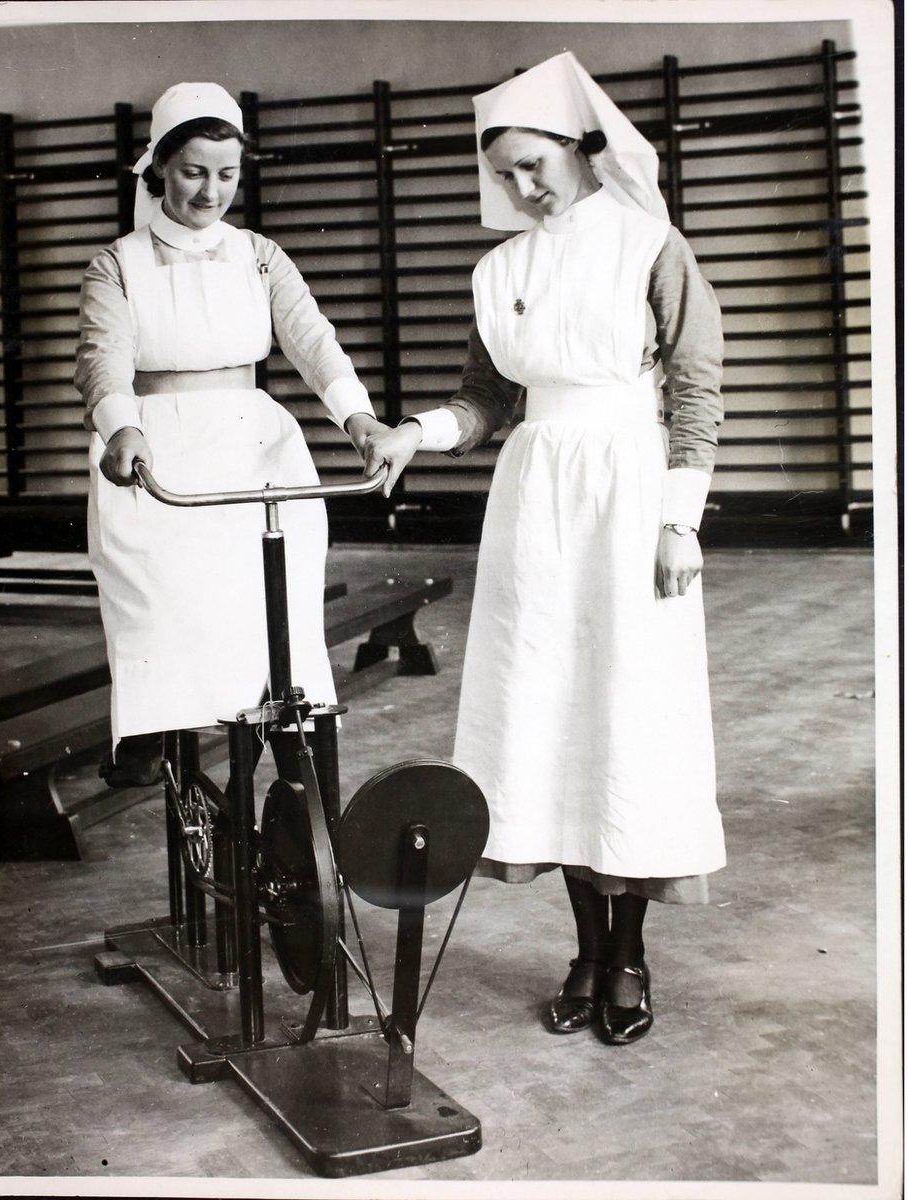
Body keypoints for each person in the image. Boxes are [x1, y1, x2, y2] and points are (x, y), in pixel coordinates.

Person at [361, 52, 726, 1045]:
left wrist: (677, 518)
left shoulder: (652, 245)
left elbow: (694, 392)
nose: (524, 186)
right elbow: (485, 399)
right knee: (549, 718)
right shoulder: (500, 270)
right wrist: (415, 434)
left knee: (625, 722)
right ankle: (582, 950)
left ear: (577, 145)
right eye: (505, 171)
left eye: (536, 163)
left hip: (629, 487)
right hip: (534, 501)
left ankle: (631, 954)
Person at [75, 83, 386, 785]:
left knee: (275, 595)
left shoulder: (260, 254)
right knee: (166, 596)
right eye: (193, 171)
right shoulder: (117, 263)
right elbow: (103, 357)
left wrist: (358, 417)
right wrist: (121, 428)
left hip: (252, 441)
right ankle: (157, 728)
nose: (210, 190)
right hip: (154, 448)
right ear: (159, 167)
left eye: (226, 173)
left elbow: (311, 340)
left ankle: (291, 744)